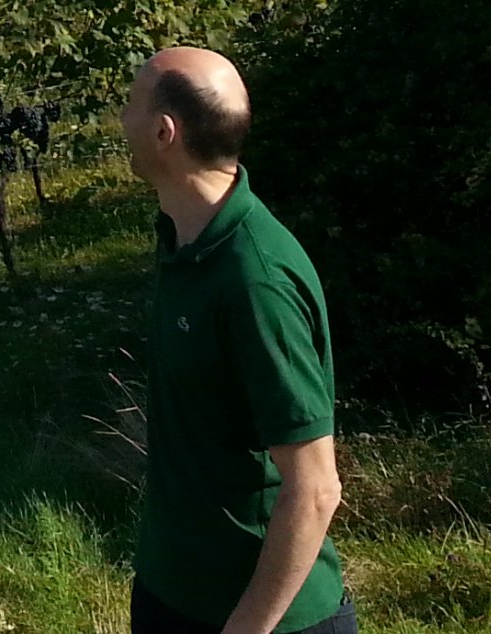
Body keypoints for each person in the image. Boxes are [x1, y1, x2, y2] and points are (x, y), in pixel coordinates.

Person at [118, 46, 351, 634]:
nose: (120, 120)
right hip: (174, 594)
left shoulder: (255, 280)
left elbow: (316, 487)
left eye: (130, 104)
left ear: (164, 131)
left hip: (262, 617)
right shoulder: (186, 239)